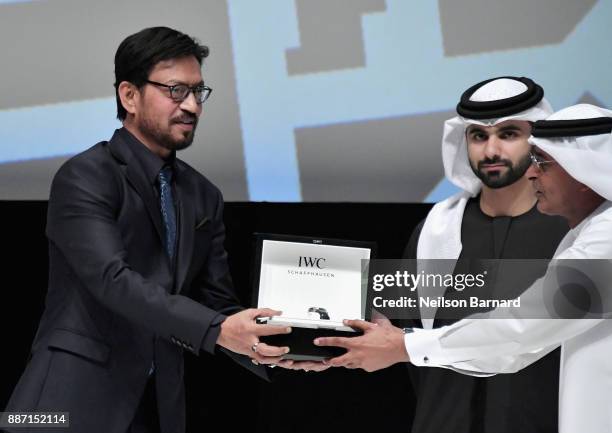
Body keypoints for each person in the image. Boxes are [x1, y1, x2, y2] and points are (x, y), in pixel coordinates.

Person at [4, 26, 290, 433]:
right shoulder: (85, 176)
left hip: (158, 405)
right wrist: (219, 330)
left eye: (198, 92)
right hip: (66, 401)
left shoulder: (202, 194)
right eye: (176, 90)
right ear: (129, 96)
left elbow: (218, 303)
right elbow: (113, 280)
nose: (192, 106)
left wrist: (276, 343)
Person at [317, 104, 612, 433]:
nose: (532, 173)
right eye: (478, 135)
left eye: (542, 163)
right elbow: (516, 350)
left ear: (583, 172)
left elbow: (525, 326)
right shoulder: (439, 227)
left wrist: (405, 346)